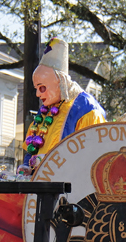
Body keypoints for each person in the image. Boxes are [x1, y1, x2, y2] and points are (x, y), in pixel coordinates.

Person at [22, 38, 106, 170]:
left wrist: (50, 163)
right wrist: (26, 167)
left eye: (42, 87)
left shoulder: (87, 109)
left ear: (60, 81)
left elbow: (92, 155)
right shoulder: (45, 111)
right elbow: (31, 150)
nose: (38, 94)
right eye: (36, 89)